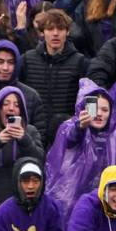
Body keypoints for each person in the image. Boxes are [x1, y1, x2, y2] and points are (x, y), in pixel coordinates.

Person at [44, 80, 116, 220]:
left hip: (108, 197)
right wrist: (80, 127)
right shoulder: (70, 126)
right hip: (73, 197)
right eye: (94, 108)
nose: (99, 114)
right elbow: (70, 139)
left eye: (104, 110)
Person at [19, 8, 89, 144]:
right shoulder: (27, 59)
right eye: (50, 29)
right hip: (33, 133)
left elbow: (90, 97)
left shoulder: (81, 62)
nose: (55, 34)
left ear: (67, 32)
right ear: (42, 32)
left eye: (61, 29)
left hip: (67, 134)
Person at [0, 85, 45, 203]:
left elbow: (40, 161)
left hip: (22, 196)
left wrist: (24, 139)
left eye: (16, 105)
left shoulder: (31, 131)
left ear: (21, 111)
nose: (11, 108)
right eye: (6, 104)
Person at [0, 39, 47, 140]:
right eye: (0, 62)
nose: (5, 68)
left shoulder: (31, 96)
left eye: (11, 62)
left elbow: (40, 138)